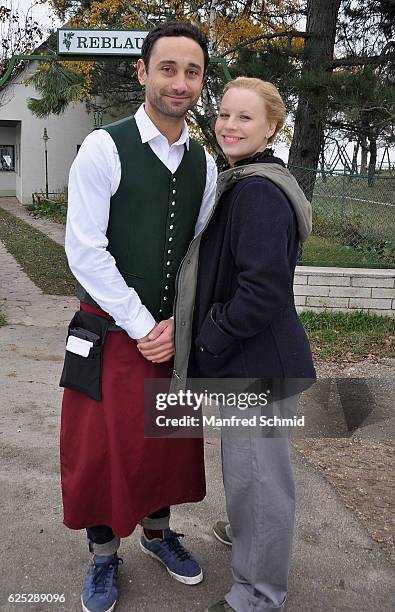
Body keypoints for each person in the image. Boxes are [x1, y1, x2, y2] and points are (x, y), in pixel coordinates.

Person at [60, 21, 217, 612]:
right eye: (169, 68)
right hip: (110, 331)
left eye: (193, 71)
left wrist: (178, 323)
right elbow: (85, 249)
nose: (180, 82)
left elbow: (198, 252)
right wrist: (140, 323)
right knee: (101, 448)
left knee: (166, 442)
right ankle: (102, 559)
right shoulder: (105, 146)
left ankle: (157, 535)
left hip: (170, 334)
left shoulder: (204, 163)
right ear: (143, 72)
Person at [171, 77, 316, 612]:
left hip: (256, 366)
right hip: (256, 362)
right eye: (224, 114)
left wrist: (211, 336)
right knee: (254, 478)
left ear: (273, 127)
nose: (229, 125)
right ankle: (252, 538)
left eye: (245, 118)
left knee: (259, 483)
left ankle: (257, 595)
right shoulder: (250, 179)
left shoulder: (256, 191)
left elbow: (263, 290)